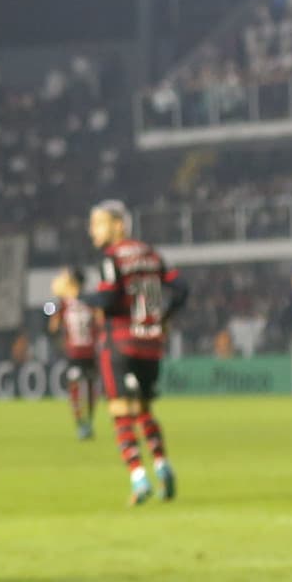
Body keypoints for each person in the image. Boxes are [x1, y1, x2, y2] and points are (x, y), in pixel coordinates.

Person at [82, 201, 188, 507]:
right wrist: (164, 318)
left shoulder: (112, 258)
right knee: (143, 408)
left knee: (119, 410)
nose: (92, 231)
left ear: (118, 224)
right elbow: (181, 289)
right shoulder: (151, 254)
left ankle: (139, 477)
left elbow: (107, 296)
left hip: (121, 341)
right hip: (151, 342)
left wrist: (76, 295)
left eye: (97, 224)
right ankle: (162, 466)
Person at [47, 267, 100, 441]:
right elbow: (100, 321)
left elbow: (53, 326)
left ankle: (84, 423)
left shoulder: (70, 303)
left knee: (81, 387)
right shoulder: (84, 302)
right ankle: (85, 423)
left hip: (81, 351)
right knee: (86, 386)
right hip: (84, 352)